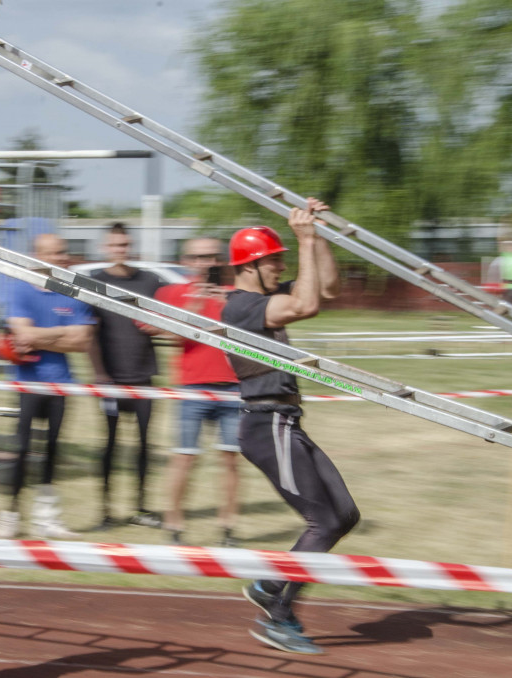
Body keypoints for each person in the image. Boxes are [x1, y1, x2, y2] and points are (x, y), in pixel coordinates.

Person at [221, 199, 359, 655]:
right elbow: (309, 305)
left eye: (282, 260)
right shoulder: (241, 307)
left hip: (286, 421)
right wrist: (301, 238)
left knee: (344, 516)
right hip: (265, 424)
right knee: (321, 521)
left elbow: (330, 288)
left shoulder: (264, 296)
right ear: (249, 267)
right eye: (274, 261)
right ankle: (277, 614)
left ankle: (270, 588)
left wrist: (314, 237)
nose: (281, 267)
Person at [0, 233, 95, 540]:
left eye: (63, 252)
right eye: (53, 253)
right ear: (37, 256)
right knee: (22, 449)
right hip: (28, 383)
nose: (61, 258)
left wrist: (39, 336)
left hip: (61, 384)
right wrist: (61, 334)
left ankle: (46, 518)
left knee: (52, 449)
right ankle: (10, 514)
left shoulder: (73, 292)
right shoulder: (21, 290)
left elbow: (82, 341)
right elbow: (23, 336)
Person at [153, 237, 242, 547]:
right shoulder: (172, 293)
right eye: (199, 257)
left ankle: (228, 526)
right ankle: (174, 524)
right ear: (186, 260)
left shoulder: (236, 293)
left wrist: (227, 301)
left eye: (212, 257)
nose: (206, 263)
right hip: (193, 387)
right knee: (184, 458)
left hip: (234, 386)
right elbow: (164, 331)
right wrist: (193, 305)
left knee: (230, 459)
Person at [86, 223, 164, 529]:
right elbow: (90, 333)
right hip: (112, 380)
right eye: (115, 245)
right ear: (106, 248)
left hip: (144, 376)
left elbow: (164, 319)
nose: (121, 250)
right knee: (111, 444)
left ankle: (141, 507)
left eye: (125, 244)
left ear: (130, 246)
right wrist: (99, 373)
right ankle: (106, 510)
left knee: (145, 444)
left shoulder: (149, 281)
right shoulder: (95, 281)